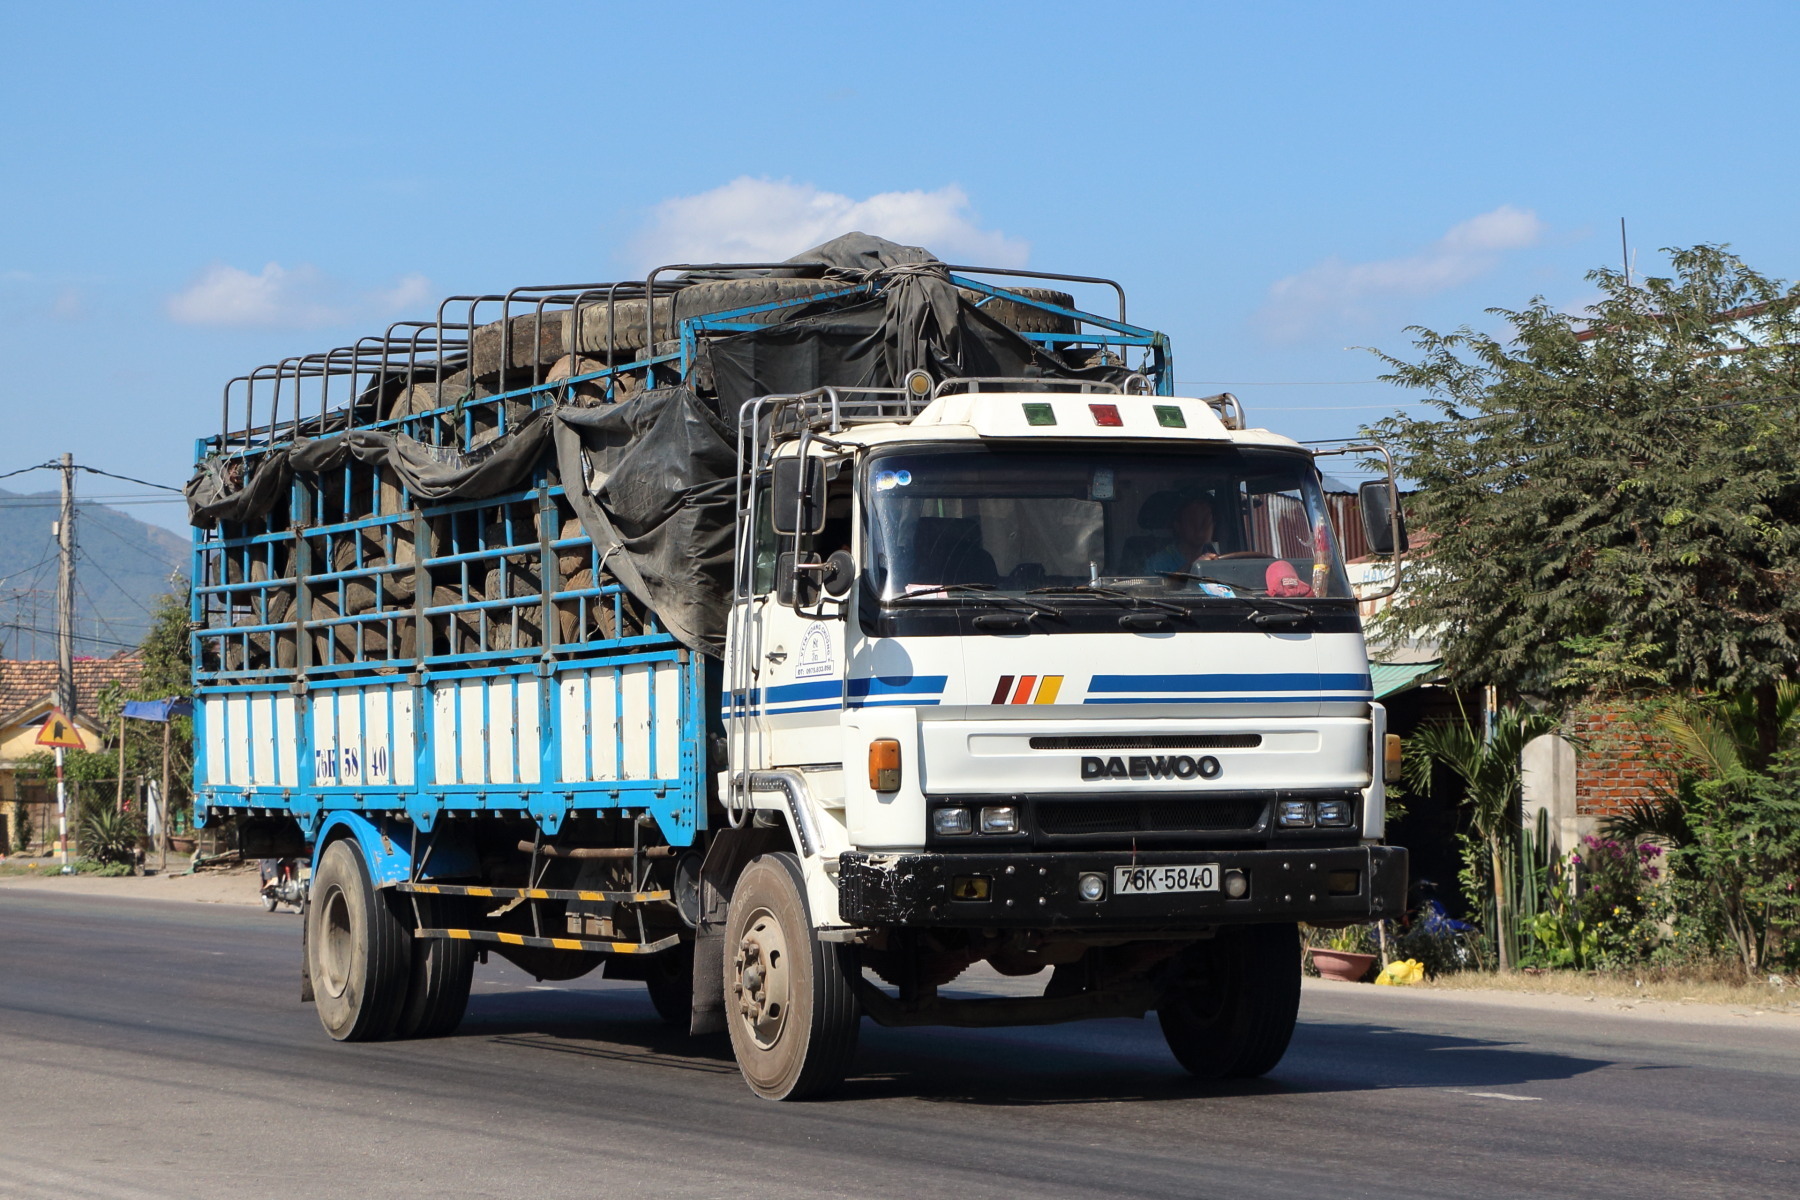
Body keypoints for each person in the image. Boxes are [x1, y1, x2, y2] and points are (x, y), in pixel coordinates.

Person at [1144, 499, 1221, 576]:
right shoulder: (1158, 563)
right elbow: (1157, 587)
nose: (1199, 527)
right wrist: (1192, 568)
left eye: (1205, 520)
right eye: (1193, 521)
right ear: (1178, 526)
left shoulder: (1219, 559)